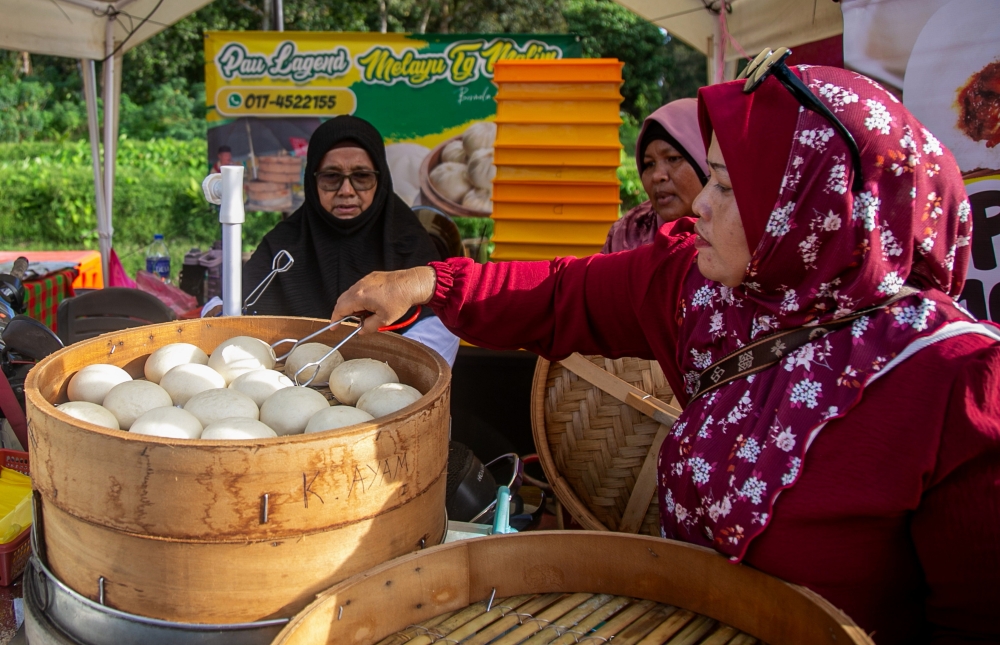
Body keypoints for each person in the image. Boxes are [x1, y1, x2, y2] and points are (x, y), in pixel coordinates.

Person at [332, 65, 1000, 642]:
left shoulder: (956, 383)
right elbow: (564, 293)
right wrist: (430, 281)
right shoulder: (707, 292)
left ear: (816, 209)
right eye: (708, 178)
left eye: (730, 188)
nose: (699, 205)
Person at [242, 116, 459, 365]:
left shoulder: (408, 241)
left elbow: (439, 324)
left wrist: (393, 375)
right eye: (331, 177)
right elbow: (236, 312)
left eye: (362, 176)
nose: (346, 190)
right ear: (313, 181)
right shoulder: (282, 244)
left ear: (381, 179)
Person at [603, 99, 708, 253]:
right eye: (649, 164)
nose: (657, 176)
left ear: (706, 162)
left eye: (673, 158)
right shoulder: (626, 232)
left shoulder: (736, 234)